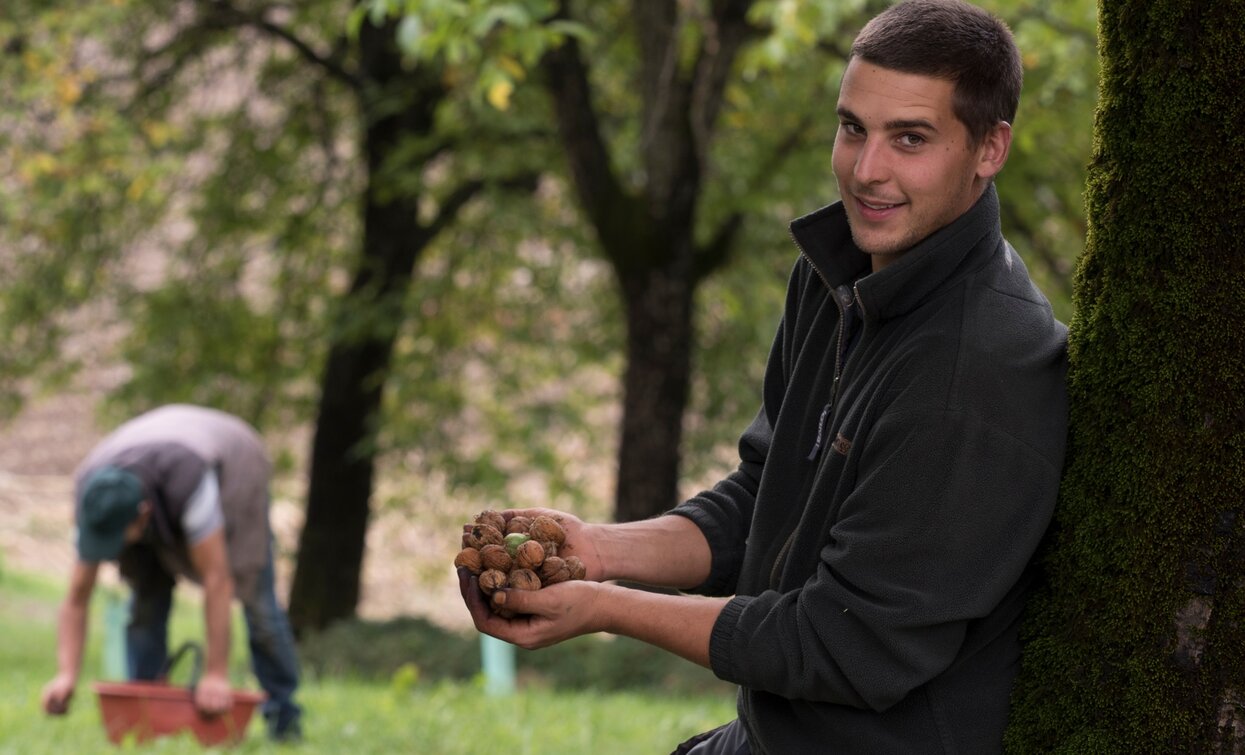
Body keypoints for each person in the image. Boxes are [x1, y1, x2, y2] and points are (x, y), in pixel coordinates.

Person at [459, 0, 1069, 752]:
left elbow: (842, 646)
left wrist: (604, 607)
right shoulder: (833, 278)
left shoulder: (977, 373)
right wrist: (598, 548)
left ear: (988, 148)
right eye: (852, 129)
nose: (867, 171)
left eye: (910, 139)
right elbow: (764, 497)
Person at [41, 404, 303, 742]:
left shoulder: (189, 481)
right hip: (153, 471)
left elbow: (217, 580)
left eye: (116, 540)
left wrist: (215, 674)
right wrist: (66, 675)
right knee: (145, 601)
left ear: (143, 516)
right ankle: (146, 719)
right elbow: (77, 597)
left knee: (259, 604)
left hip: (232, 465)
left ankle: (284, 720)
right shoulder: (95, 496)